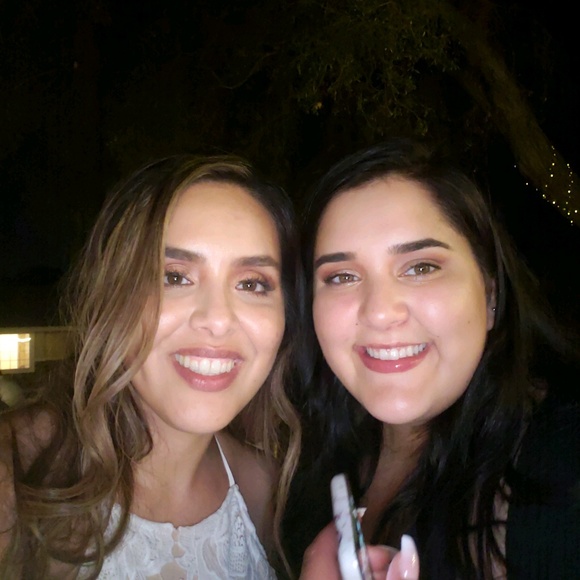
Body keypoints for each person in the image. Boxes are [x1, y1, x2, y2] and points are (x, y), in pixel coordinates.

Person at [283, 138, 580, 579]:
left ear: (491, 293)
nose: (380, 312)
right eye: (342, 276)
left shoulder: (561, 466)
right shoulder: (298, 451)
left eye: (421, 268)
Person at [0, 154, 304, 579]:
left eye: (252, 284)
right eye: (174, 277)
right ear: (114, 294)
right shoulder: (15, 475)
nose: (218, 320)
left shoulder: (265, 491)